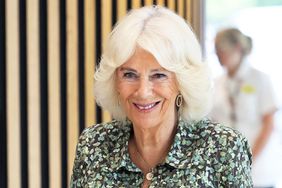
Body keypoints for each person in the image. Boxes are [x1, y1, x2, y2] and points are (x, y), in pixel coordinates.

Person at [70, 6, 253, 187]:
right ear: (115, 81)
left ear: (182, 82)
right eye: (130, 75)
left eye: (159, 75)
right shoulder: (93, 145)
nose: (143, 91)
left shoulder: (224, 148)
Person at [209, 27, 280, 187]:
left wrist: (248, 159)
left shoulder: (260, 79)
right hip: (227, 167)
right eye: (216, 51)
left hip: (259, 168)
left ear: (238, 49)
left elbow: (269, 124)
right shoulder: (218, 83)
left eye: (222, 50)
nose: (218, 55)